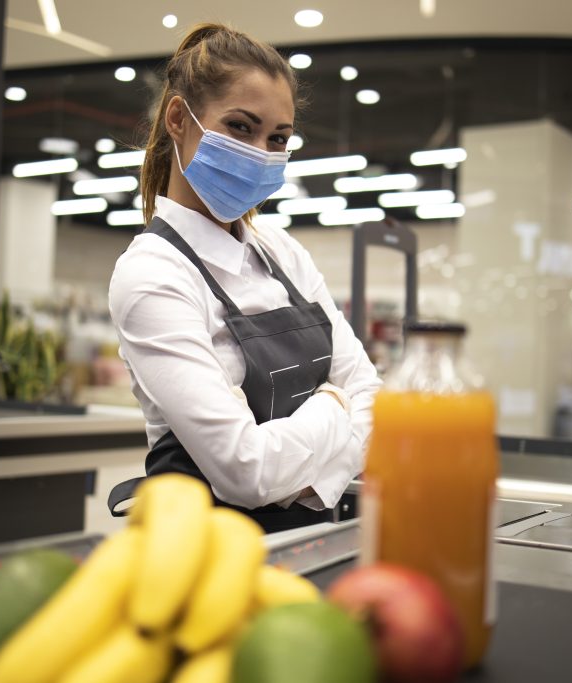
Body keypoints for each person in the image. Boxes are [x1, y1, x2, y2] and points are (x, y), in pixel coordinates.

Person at [107, 23, 381, 533]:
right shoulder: (152, 275)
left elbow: (373, 396)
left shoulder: (281, 250)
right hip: (201, 557)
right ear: (177, 119)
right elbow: (246, 473)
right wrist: (334, 402)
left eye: (277, 138)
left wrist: (301, 473)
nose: (261, 151)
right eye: (240, 127)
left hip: (311, 543)